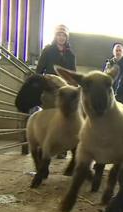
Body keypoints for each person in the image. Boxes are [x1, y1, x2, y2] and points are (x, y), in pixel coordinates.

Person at [36, 24, 76, 159]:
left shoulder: (70, 54)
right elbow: (39, 69)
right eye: (59, 34)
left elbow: (73, 73)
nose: (61, 37)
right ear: (55, 36)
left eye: (64, 35)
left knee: (62, 119)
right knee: (47, 117)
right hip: (49, 89)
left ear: (67, 37)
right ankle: (45, 145)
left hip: (64, 91)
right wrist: (42, 83)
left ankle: (61, 148)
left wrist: (72, 88)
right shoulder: (48, 50)